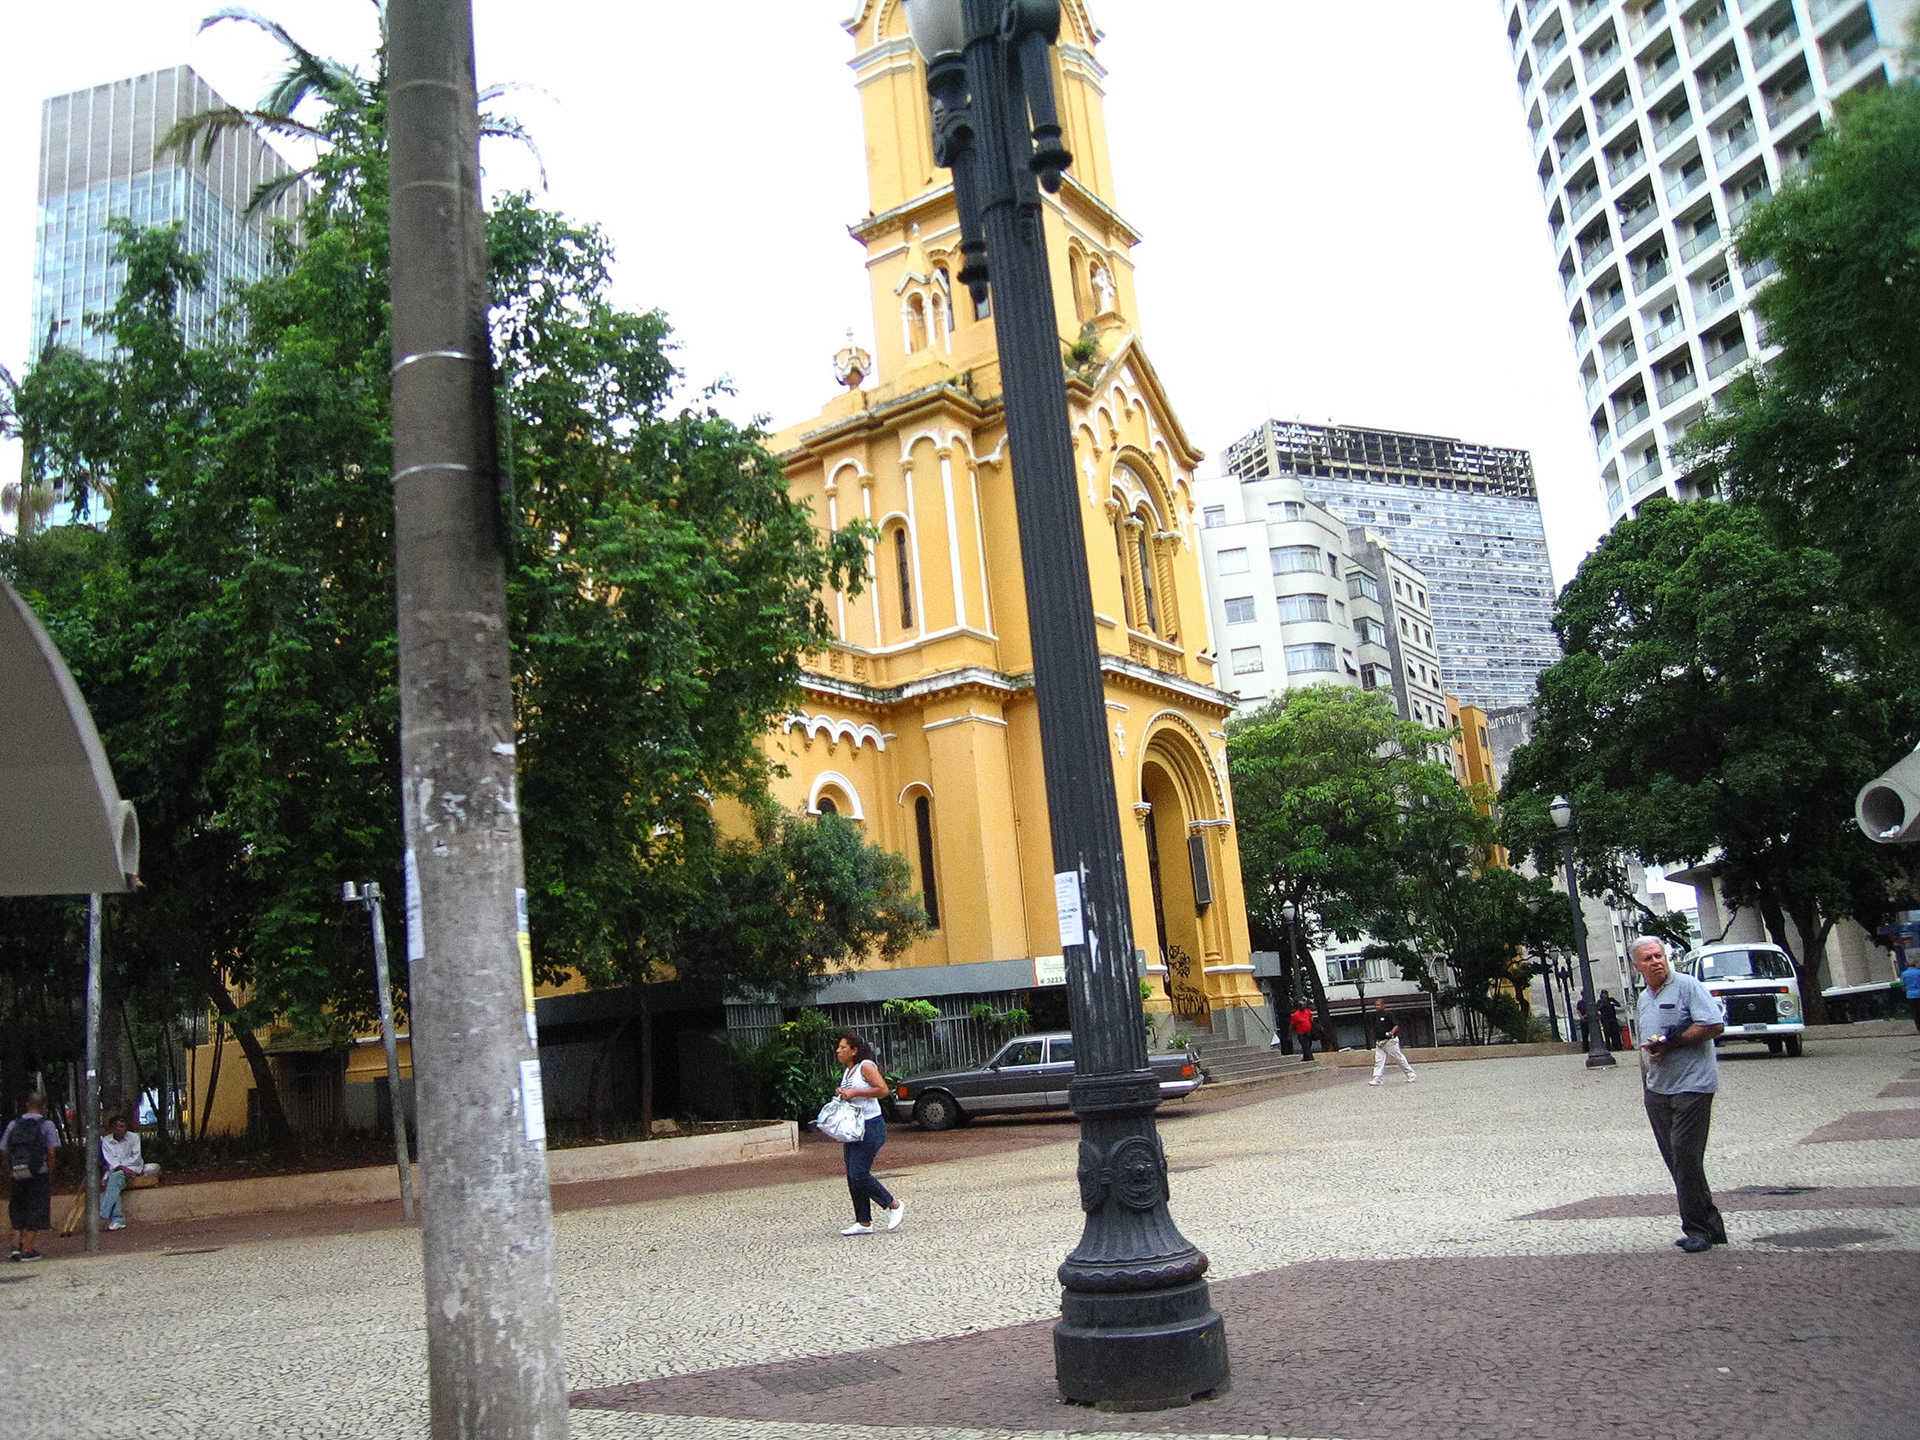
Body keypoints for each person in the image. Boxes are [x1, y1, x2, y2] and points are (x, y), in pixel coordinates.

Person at [1632, 936, 1727, 1253]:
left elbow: (1714, 1025)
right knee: (1678, 1161)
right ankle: (1712, 1224)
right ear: (1637, 965)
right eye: (1648, 958)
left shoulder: (1687, 986)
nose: (1656, 961)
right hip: (1658, 1089)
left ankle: (1697, 1230)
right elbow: (1642, 1044)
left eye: (1659, 955)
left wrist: (1672, 1043)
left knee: (1686, 1155)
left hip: (1693, 1086)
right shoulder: (1643, 998)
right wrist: (1645, 1083)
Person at [832, 1032, 904, 1237]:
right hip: (853, 1128)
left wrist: (855, 1093)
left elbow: (883, 1090)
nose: (838, 1051)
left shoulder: (865, 1066)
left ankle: (893, 1204)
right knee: (852, 1176)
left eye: (843, 1047)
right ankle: (863, 1221)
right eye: (839, 1047)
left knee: (859, 1173)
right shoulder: (848, 1071)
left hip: (871, 1126)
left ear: (854, 1050)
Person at [4, 1093, 59, 1262]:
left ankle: (15, 1247)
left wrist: (10, 1168)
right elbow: (51, 1153)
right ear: (43, 1106)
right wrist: (50, 1172)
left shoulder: (14, 1124)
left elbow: (4, 1149)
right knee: (37, 1208)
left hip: (17, 1172)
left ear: (27, 1104)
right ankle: (27, 1250)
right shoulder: (47, 1125)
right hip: (38, 1173)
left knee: (18, 1207)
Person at [99, 1115, 150, 1231]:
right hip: (116, 1171)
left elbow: (136, 1157)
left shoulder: (134, 1138)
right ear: (112, 1128)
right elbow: (109, 1159)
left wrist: (123, 1167)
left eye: (124, 1126)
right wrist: (121, 1167)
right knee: (115, 1181)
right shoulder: (106, 1141)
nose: (123, 1129)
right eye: (120, 1127)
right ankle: (118, 1220)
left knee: (113, 1181)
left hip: (132, 1170)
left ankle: (105, 1212)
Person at [1366, 997, 1416, 1085]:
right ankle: (1378, 1078)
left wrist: (1391, 1033)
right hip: (1380, 1042)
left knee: (1398, 1057)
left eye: (1379, 1005)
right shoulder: (1375, 1016)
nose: (1377, 1007)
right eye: (1376, 1005)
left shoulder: (1388, 1014)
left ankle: (1410, 1074)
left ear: (1383, 1005)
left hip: (1390, 1041)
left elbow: (1396, 1025)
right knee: (1379, 1060)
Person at [1901, 956, 1920, 1036]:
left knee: (1916, 1013)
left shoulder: (1904, 974)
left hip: (1911, 995)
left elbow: (1903, 986)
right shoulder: (1918, 972)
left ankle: (1919, 1029)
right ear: (1915, 964)